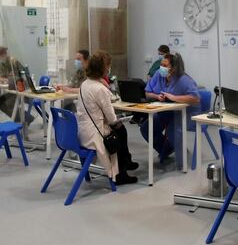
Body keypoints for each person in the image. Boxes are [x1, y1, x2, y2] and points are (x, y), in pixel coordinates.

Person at [76, 51, 138, 185]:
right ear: (103, 68)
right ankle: (121, 173)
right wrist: (119, 120)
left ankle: (126, 163)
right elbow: (111, 118)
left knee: (120, 130)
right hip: (95, 134)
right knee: (120, 131)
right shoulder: (100, 89)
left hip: (83, 131)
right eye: (108, 66)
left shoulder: (85, 84)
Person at [139, 52, 200, 164]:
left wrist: (174, 97)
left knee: (172, 132)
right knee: (146, 129)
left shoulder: (183, 79)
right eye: (161, 64)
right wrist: (157, 96)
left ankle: (179, 156)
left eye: (165, 65)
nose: (161, 68)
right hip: (165, 110)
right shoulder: (158, 74)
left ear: (173, 68)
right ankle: (167, 148)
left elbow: (195, 98)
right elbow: (147, 93)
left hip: (184, 112)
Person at [0, 46, 31, 123]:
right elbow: (2, 77)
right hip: (12, 90)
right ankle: (23, 119)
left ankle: (25, 120)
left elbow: (17, 80)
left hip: (23, 90)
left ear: (3, 54)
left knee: (6, 102)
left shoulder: (14, 62)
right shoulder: (2, 65)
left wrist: (2, 79)